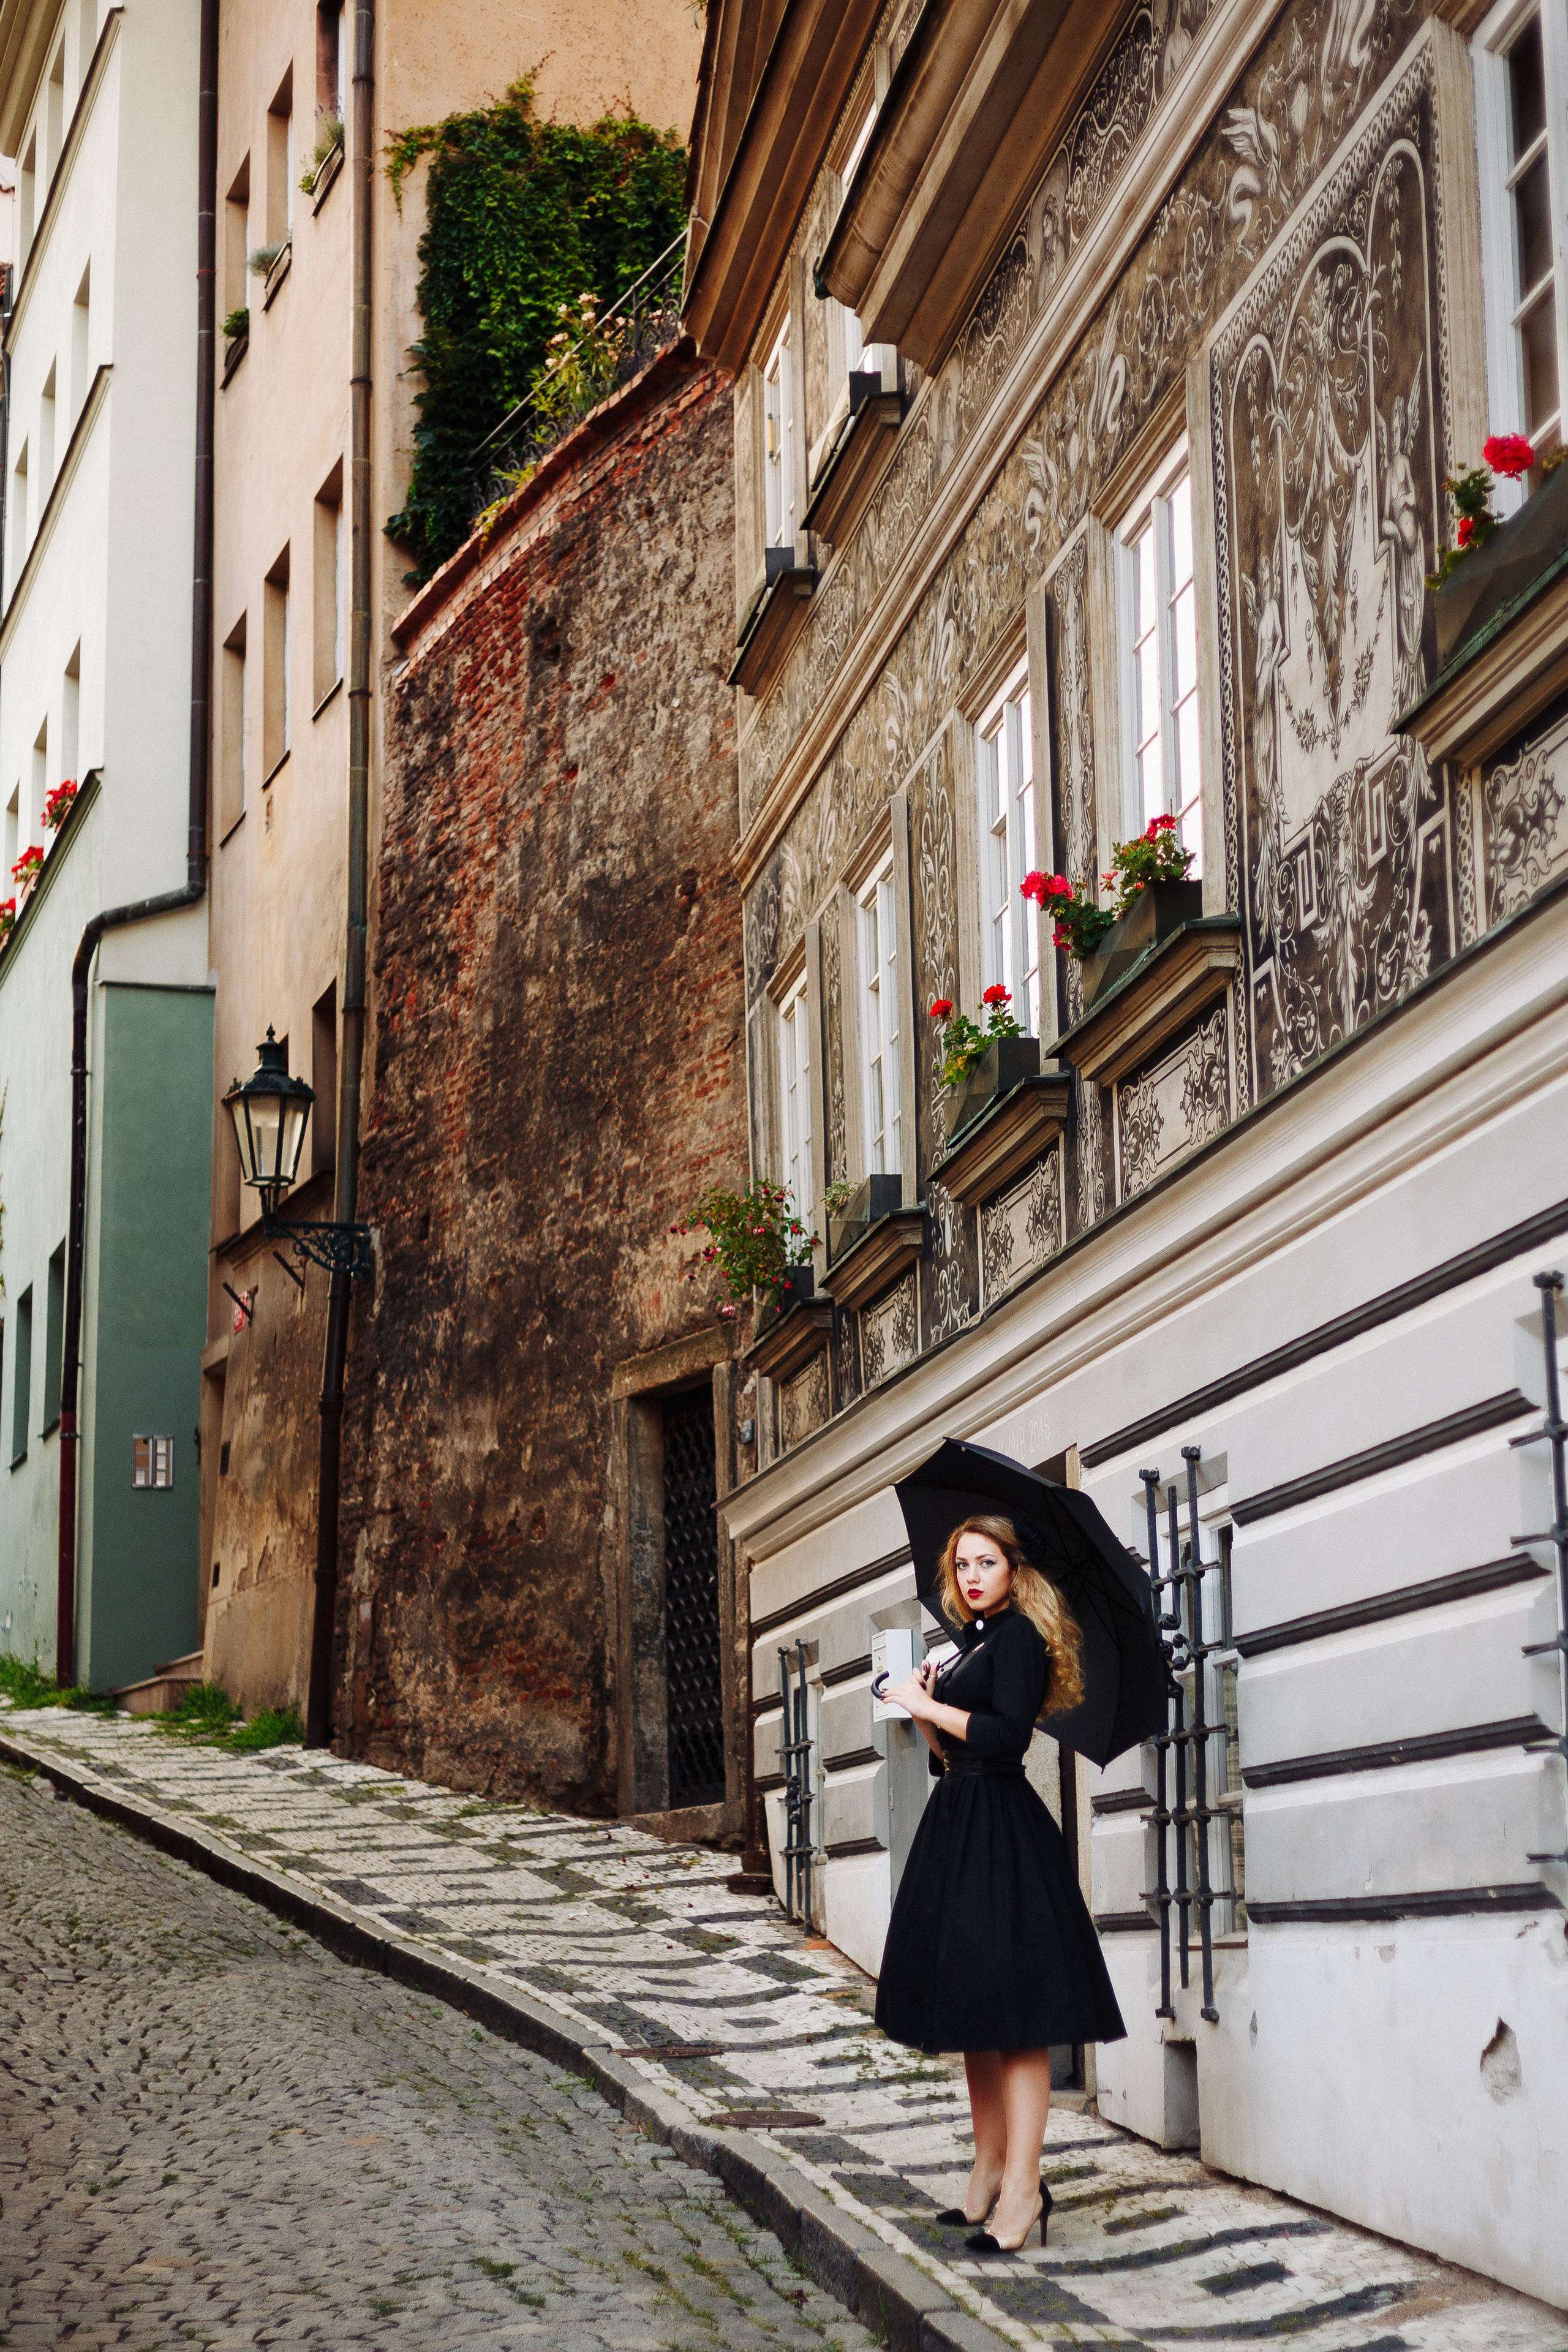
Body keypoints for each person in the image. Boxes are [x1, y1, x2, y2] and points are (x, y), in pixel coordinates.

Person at [875, 1515, 1126, 2253]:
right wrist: (926, 1711)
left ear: (1014, 1570)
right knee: (972, 2007)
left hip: (999, 1828)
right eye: (962, 1566)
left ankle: (1023, 2185)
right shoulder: (971, 1643)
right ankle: (987, 2167)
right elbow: (948, 1753)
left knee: (1013, 2016)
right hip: (958, 1818)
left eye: (986, 1563)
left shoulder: (1016, 1637)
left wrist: (930, 1705)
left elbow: (1008, 1736)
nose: (973, 1576)